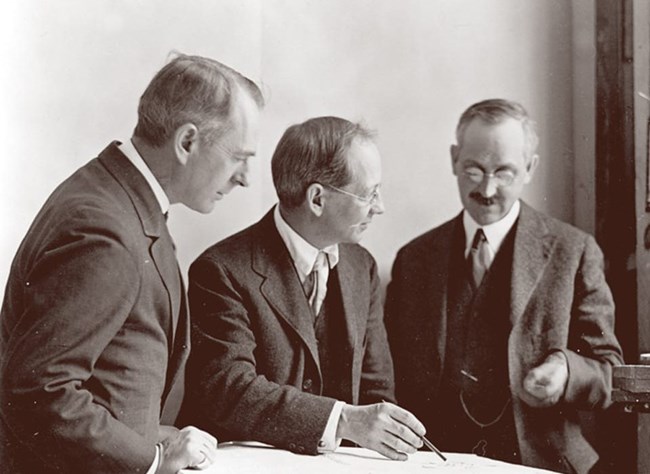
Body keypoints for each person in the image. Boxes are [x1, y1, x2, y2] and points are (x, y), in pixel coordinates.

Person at [0, 53, 264, 473]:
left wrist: (141, 433)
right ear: (187, 142)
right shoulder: (106, 230)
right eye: (238, 157)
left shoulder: (119, 199)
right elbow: (39, 391)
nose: (245, 177)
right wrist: (152, 460)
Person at [385, 99, 623, 474]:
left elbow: (608, 368)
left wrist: (565, 369)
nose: (488, 189)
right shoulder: (414, 259)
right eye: (474, 170)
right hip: (436, 462)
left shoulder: (572, 251)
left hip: (543, 462)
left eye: (505, 172)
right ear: (453, 159)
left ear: (530, 168)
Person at [180, 116, 426, 461]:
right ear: (317, 199)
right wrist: (343, 421)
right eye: (369, 194)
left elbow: (376, 391)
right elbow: (230, 389)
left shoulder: (361, 266)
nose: (380, 207)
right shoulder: (221, 269)